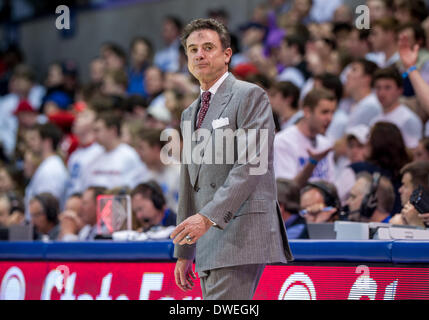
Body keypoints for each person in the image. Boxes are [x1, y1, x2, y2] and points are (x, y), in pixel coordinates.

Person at [170, 18, 292, 300]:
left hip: (240, 231)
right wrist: (185, 249)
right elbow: (190, 181)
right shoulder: (190, 112)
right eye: (192, 49)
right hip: (208, 236)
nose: (199, 54)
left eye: (208, 47)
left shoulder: (250, 95)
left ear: (227, 54)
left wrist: (207, 218)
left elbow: (251, 165)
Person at [274, 88, 337, 188]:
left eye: (332, 112)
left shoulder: (326, 144)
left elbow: (331, 185)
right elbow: (287, 191)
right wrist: (312, 163)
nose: (330, 118)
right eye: (324, 112)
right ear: (307, 112)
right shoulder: (283, 141)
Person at [83, 112, 149, 190]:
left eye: (97, 130)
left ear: (112, 130)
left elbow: (136, 185)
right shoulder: (92, 155)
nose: (94, 135)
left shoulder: (129, 155)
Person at [24, 122, 69, 220]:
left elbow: (46, 207)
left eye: (34, 139)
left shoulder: (51, 169)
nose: (30, 143)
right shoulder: (47, 166)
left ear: (47, 142)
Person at [371, 66, 423, 149]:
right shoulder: (374, 120)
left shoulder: (409, 119)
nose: (381, 93)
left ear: (400, 90)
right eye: (378, 88)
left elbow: (414, 153)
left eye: (387, 87)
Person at [134, 128, 180, 211]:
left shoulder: (178, 172)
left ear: (156, 148)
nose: (139, 153)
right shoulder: (145, 174)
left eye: (142, 148)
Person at [390, 161, 429, 227]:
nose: (400, 190)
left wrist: (416, 225)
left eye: (405, 186)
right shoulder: (398, 220)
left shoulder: (399, 223)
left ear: (419, 192)